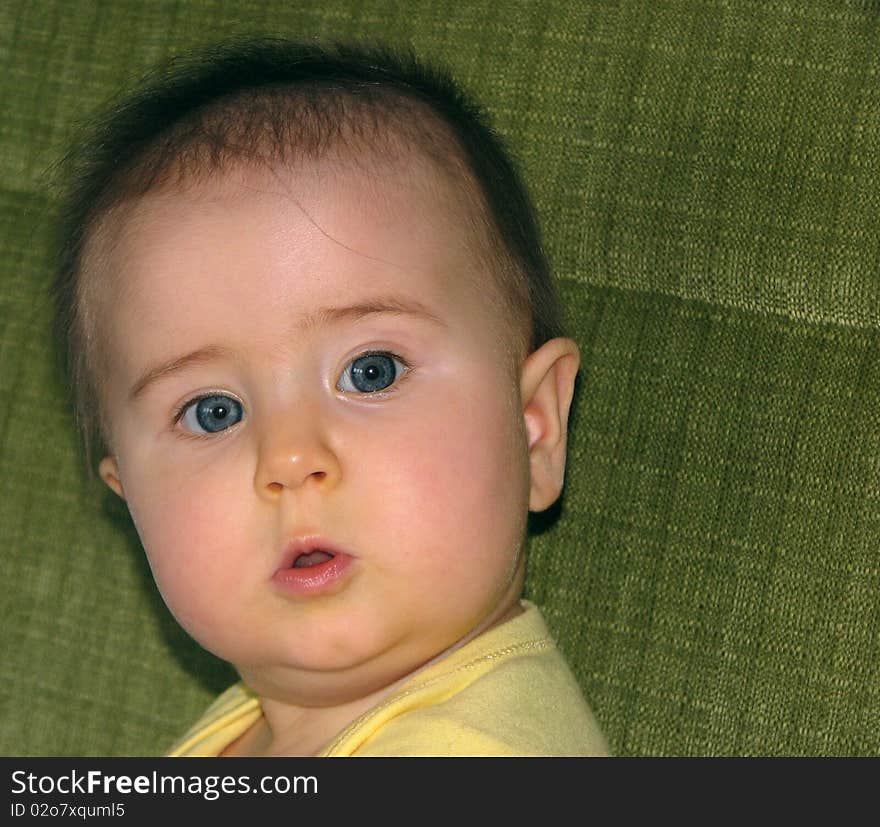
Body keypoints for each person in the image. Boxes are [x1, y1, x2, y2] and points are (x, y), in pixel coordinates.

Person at [50, 37, 608, 757]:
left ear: (533, 429)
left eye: (370, 370)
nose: (287, 457)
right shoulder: (242, 731)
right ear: (130, 497)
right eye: (212, 411)